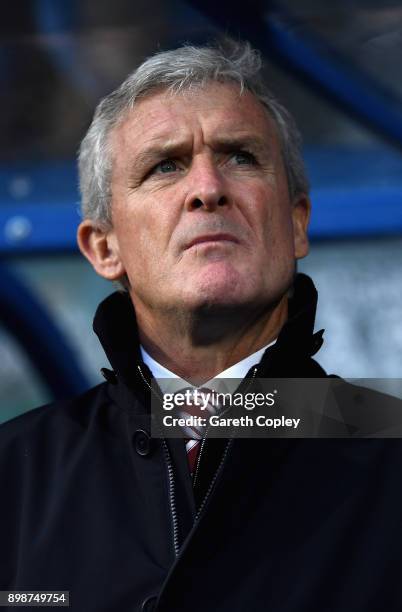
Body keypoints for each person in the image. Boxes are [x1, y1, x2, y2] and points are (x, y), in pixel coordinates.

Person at [1, 41, 402, 612]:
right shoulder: (13, 475)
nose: (208, 188)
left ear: (296, 224)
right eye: (165, 165)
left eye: (240, 156)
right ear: (104, 247)